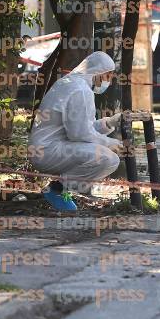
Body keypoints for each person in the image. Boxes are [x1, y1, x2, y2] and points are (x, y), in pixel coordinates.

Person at [29, 51, 123, 211]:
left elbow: (82, 127)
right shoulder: (81, 90)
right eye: (108, 76)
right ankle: (57, 191)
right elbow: (79, 134)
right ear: (98, 73)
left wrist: (109, 122)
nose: (108, 82)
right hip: (48, 151)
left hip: (48, 148)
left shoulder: (70, 83)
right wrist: (109, 143)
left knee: (104, 155)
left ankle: (60, 190)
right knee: (108, 159)